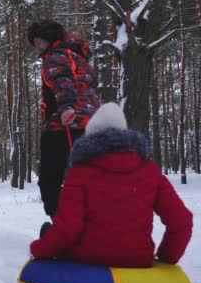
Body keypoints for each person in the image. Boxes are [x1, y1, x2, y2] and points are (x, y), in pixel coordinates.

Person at [30, 103, 193, 267]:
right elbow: (181, 221)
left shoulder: (79, 173)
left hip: (86, 258)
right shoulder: (150, 171)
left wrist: (38, 250)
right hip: (137, 260)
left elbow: (67, 228)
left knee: (48, 230)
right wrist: (166, 258)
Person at [27, 20, 100, 226]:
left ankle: (63, 225)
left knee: (50, 176)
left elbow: (62, 80)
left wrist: (66, 107)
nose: (37, 47)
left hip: (63, 124)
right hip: (90, 123)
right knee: (84, 175)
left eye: (39, 42)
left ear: (50, 39)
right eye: (35, 43)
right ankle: (91, 221)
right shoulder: (79, 56)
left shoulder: (55, 56)